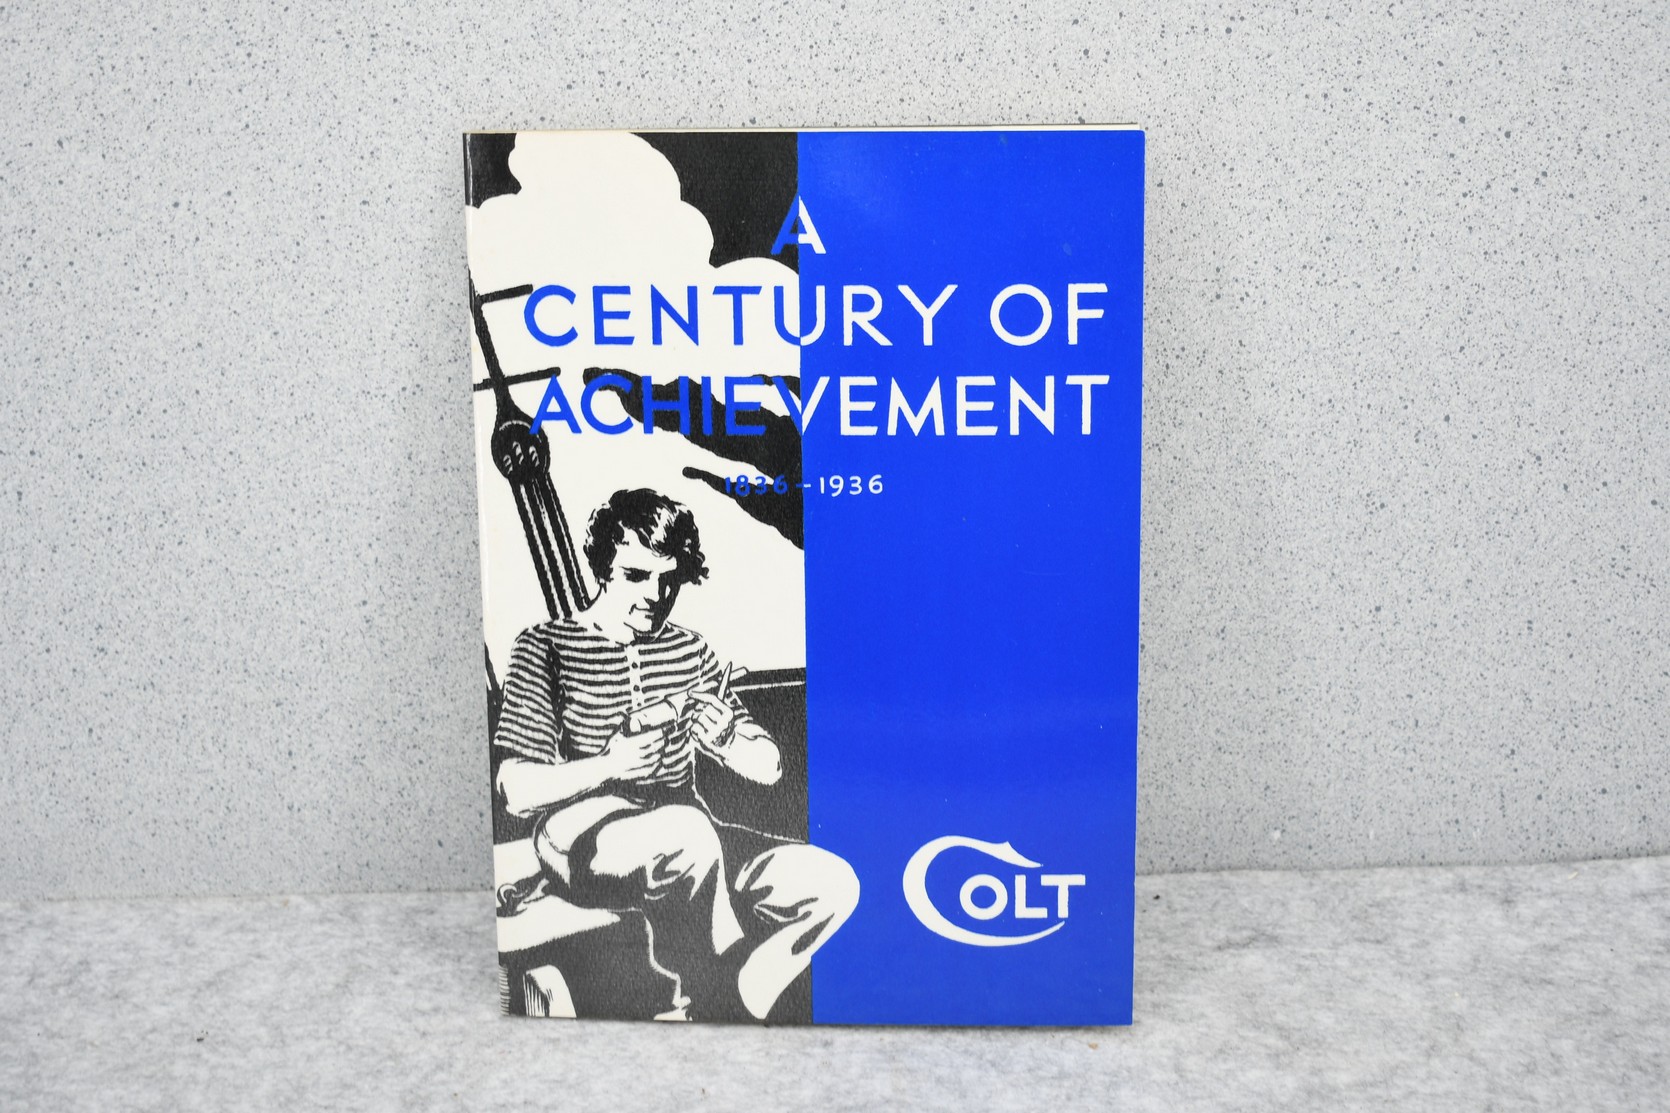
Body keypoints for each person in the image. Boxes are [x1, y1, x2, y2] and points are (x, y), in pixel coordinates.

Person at [493, 487, 858, 1021]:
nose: (655, 595)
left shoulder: (691, 649)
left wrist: (727, 740)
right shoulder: (545, 646)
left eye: (669, 580)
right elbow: (515, 790)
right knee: (686, 832)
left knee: (831, 882)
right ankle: (716, 996)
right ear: (604, 568)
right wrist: (609, 765)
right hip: (578, 836)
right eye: (636, 576)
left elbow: (770, 766)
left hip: (693, 829)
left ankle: (741, 997)